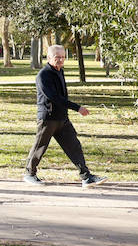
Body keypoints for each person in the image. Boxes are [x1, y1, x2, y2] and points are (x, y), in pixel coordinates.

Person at [24, 44, 106, 186]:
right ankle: (29, 174)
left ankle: (86, 177)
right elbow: (54, 97)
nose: (61, 60)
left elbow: (63, 96)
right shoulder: (43, 75)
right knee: (40, 147)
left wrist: (68, 112)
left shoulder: (60, 71)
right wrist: (77, 108)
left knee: (74, 146)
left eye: (63, 57)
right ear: (49, 57)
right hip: (48, 119)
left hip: (62, 118)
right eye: (57, 57)